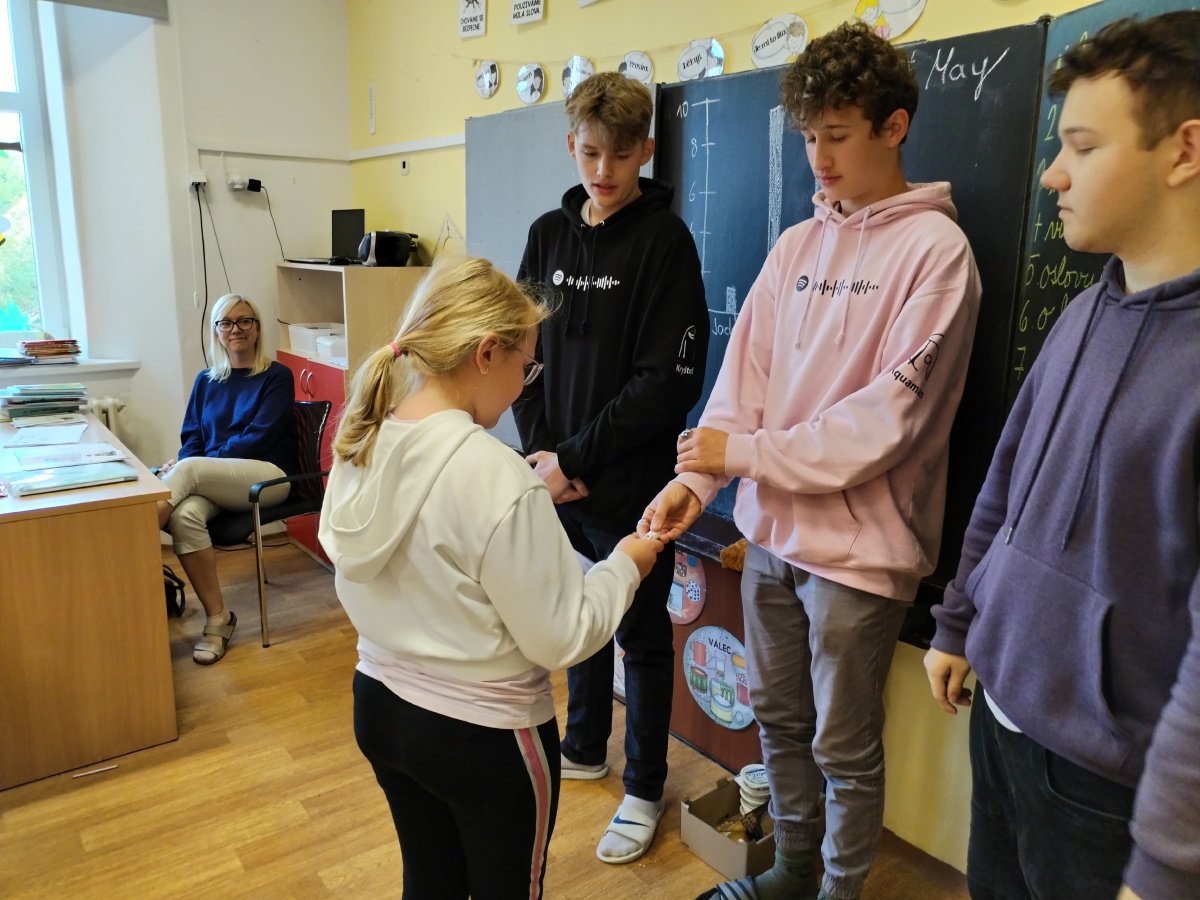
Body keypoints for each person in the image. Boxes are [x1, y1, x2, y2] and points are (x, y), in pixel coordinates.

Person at [641, 21, 981, 900]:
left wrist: (744, 454)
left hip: (861, 559)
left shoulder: (937, 255)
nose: (818, 159)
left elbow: (886, 425)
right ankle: (792, 872)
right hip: (770, 539)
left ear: (894, 127)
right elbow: (742, 382)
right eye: (807, 137)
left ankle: (838, 890)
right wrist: (698, 479)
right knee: (780, 722)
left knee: (844, 746)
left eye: (837, 135)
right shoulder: (796, 246)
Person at [924, 13, 1200, 900]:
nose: (1052, 174)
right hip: (1002, 718)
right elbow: (1006, 481)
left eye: (1082, 146)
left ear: (1185, 150)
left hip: (1108, 788)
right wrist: (962, 620)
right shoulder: (1085, 310)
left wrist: (1168, 862)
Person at [317, 255, 665, 899]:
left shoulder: (362, 439)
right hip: (482, 738)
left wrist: (521, 511)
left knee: (430, 883)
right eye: (525, 365)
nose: (524, 384)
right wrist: (627, 563)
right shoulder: (496, 475)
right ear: (485, 353)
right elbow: (562, 637)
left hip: (381, 709)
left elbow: (423, 534)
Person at [511, 70, 709, 865]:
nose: (604, 170)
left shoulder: (666, 243)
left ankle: (646, 787)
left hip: (632, 487)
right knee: (577, 618)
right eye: (591, 153)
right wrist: (546, 458)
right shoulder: (546, 237)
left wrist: (574, 459)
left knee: (643, 638)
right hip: (557, 481)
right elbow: (520, 356)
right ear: (571, 145)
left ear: (646, 152)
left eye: (621, 156)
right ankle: (585, 744)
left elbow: (666, 384)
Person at [158, 292, 297, 665]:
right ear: (216, 332)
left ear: (257, 328)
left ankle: (129, 551)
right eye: (226, 323)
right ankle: (218, 619)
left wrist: (194, 466)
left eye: (244, 321)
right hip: (216, 478)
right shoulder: (206, 381)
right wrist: (192, 464)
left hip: (268, 477)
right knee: (184, 515)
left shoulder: (277, 376)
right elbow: (192, 438)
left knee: (187, 470)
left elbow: (257, 439)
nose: (236, 329)